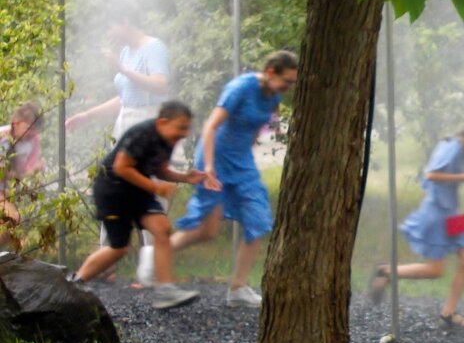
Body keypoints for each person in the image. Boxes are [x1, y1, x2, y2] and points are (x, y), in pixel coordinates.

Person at [167, 50, 299, 307]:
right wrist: (210, 168)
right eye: (287, 81)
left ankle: (237, 289)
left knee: (258, 219)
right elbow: (210, 127)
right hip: (214, 158)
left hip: (242, 163)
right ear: (271, 71)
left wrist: (246, 160)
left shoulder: (274, 95)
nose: (289, 87)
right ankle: (157, 255)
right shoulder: (240, 87)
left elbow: (253, 130)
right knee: (208, 230)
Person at [65, 16, 177, 284]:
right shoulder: (127, 52)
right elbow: (125, 97)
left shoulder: (154, 47)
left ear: (126, 22)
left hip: (148, 122)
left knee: (147, 192)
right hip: (126, 120)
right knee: (115, 186)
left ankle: (151, 271)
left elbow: (160, 84)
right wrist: (88, 115)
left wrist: (121, 68)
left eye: (111, 25)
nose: (110, 33)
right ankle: (106, 263)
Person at [70, 101, 205, 310]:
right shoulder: (142, 134)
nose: (184, 133)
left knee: (162, 229)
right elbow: (121, 167)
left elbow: (159, 168)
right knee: (118, 248)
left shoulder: (167, 140)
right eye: (181, 127)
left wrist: (185, 177)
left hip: (138, 190)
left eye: (187, 128)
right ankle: (74, 285)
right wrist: (155, 188)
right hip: (113, 190)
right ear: (162, 121)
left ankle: (165, 290)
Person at [370, 121, 464, 328]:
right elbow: (431, 175)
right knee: (436, 270)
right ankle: (386, 271)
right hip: (437, 214)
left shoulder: (462, 151)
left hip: (453, 214)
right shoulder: (451, 147)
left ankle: (448, 313)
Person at [0, 103, 45, 252]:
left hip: (9, 191)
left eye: (34, 130)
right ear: (16, 124)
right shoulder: (3, 138)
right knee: (12, 219)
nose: (31, 134)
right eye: (29, 129)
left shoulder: (33, 141)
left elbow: (26, 168)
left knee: (9, 226)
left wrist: (33, 170)